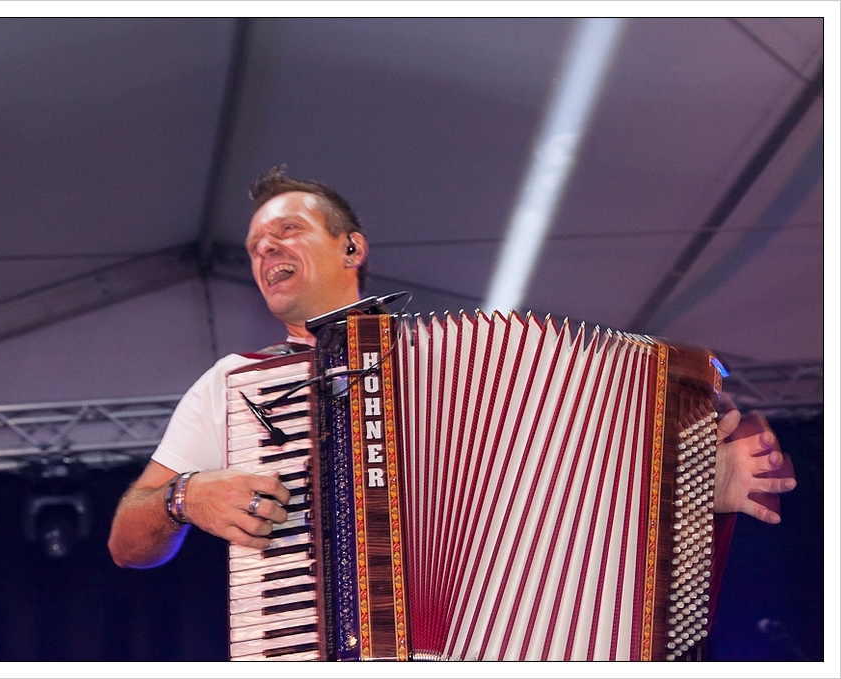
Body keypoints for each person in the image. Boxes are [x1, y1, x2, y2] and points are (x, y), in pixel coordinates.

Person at [107, 166, 797, 569]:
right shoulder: (233, 385)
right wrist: (183, 497)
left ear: (351, 249)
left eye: (287, 230)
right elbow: (126, 542)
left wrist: (694, 483)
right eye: (256, 244)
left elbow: (569, 495)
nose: (265, 250)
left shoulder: (478, 363)